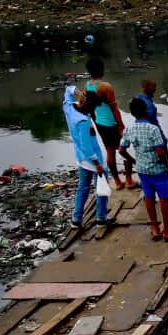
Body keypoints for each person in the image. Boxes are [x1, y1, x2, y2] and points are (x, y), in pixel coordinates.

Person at [122, 97, 168, 242]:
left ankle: (155, 228)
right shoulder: (153, 129)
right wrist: (166, 165)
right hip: (157, 169)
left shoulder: (129, 129)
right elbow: (160, 151)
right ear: (146, 111)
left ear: (132, 113)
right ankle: (167, 231)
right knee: (164, 198)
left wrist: (133, 160)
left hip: (142, 170)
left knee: (148, 197)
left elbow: (121, 149)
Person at [62, 86, 111, 229]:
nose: (92, 111)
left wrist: (78, 93)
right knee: (101, 188)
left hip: (81, 158)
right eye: (91, 107)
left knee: (82, 188)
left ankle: (76, 219)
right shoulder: (82, 121)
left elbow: (68, 89)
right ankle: (101, 218)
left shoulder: (69, 108)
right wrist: (97, 164)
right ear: (85, 104)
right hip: (93, 159)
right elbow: (86, 146)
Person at [85, 58, 135, 189]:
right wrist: (121, 125)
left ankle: (118, 182)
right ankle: (129, 179)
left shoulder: (88, 85)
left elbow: (91, 106)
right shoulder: (105, 86)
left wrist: (94, 121)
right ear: (101, 70)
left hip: (99, 122)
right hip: (111, 122)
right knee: (123, 149)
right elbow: (114, 108)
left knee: (110, 150)